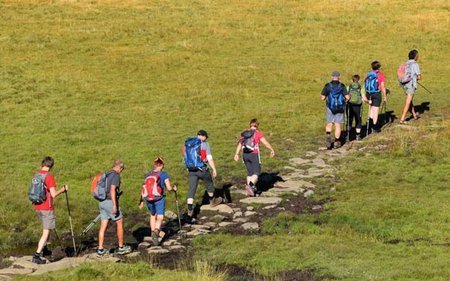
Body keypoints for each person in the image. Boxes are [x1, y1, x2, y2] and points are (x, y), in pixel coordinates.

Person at [32, 156, 68, 264]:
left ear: (42, 164)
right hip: (46, 208)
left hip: (37, 206)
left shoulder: (36, 175)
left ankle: (45, 250)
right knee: (46, 231)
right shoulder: (49, 177)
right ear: (51, 166)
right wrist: (63, 189)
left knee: (46, 229)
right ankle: (37, 255)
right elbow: (53, 194)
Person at [184, 130, 222, 218]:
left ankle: (190, 209)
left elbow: (185, 156)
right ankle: (212, 201)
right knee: (209, 184)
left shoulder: (188, 144)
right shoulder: (205, 144)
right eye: (206, 137)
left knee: (192, 189)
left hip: (191, 169)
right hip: (202, 169)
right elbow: (208, 158)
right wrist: (214, 169)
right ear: (204, 136)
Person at [96, 160, 131, 256]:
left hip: (101, 202)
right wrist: (115, 205)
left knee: (103, 225)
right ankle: (121, 247)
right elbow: (112, 190)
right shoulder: (116, 175)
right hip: (109, 202)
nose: (121, 171)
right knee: (119, 221)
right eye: (122, 169)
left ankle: (100, 249)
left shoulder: (107, 174)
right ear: (119, 168)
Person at [139, 157, 176, 246]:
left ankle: (153, 233)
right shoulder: (164, 174)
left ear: (154, 165)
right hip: (159, 198)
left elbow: (143, 188)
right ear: (162, 165)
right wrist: (174, 189)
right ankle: (156, 232)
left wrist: (141, 201)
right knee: (160, 217)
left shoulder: (148, 174)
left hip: (148, 198)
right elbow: (169, 187)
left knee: (152, 215)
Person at [233, 119, 275, 196]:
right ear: (257, 125)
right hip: (254, 154)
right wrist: (271, 149)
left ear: (250, 125)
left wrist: (236, 154)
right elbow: (265, 143)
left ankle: (250, 192)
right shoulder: (258, 133)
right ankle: (250, 186)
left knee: (250, 173)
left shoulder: (245, 133)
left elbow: (240, 144)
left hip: (245, 155)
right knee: (256, 172)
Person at [320, 71, 349, 149]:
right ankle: (336, 141)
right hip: (340, 108)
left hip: (330, 107)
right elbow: (347, 97)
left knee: (329, 123)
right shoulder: (342, 86)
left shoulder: (327, 86)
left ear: (332, 76)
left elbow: (322, 98)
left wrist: (327, 98)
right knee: (337, 124)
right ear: (339, 77)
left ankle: (328, 135)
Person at [364, 61, 387, 133]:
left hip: (368, 93)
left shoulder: (368, 74)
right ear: (379, 67)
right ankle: (375, 127)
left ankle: (369, 124)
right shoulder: (380, 75)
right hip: (376, 93)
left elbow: (364, 83)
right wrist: (385, 96)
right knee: (375, 110)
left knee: (371, 109)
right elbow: (382, 87)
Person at [399, 49, 422, 124]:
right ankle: (402, 119)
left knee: (410, 100)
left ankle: (414, 115)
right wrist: (416, 78)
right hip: (410, 84)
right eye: (417, 55)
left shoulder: (405, 63)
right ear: (415, 57)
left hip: (404, 84)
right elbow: (419, 77)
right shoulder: (415, 64)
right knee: (408, 101)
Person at [347, 74, 364, 141]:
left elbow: (346, 96)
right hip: (358, 106)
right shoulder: (361, 88)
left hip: (350, 105)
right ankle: (357, 136)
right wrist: (368, 101)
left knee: (349, 119)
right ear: (358, 80)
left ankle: (348, 135)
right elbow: (363, 98)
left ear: (352, 80)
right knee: (358, 120)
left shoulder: (348, 87)